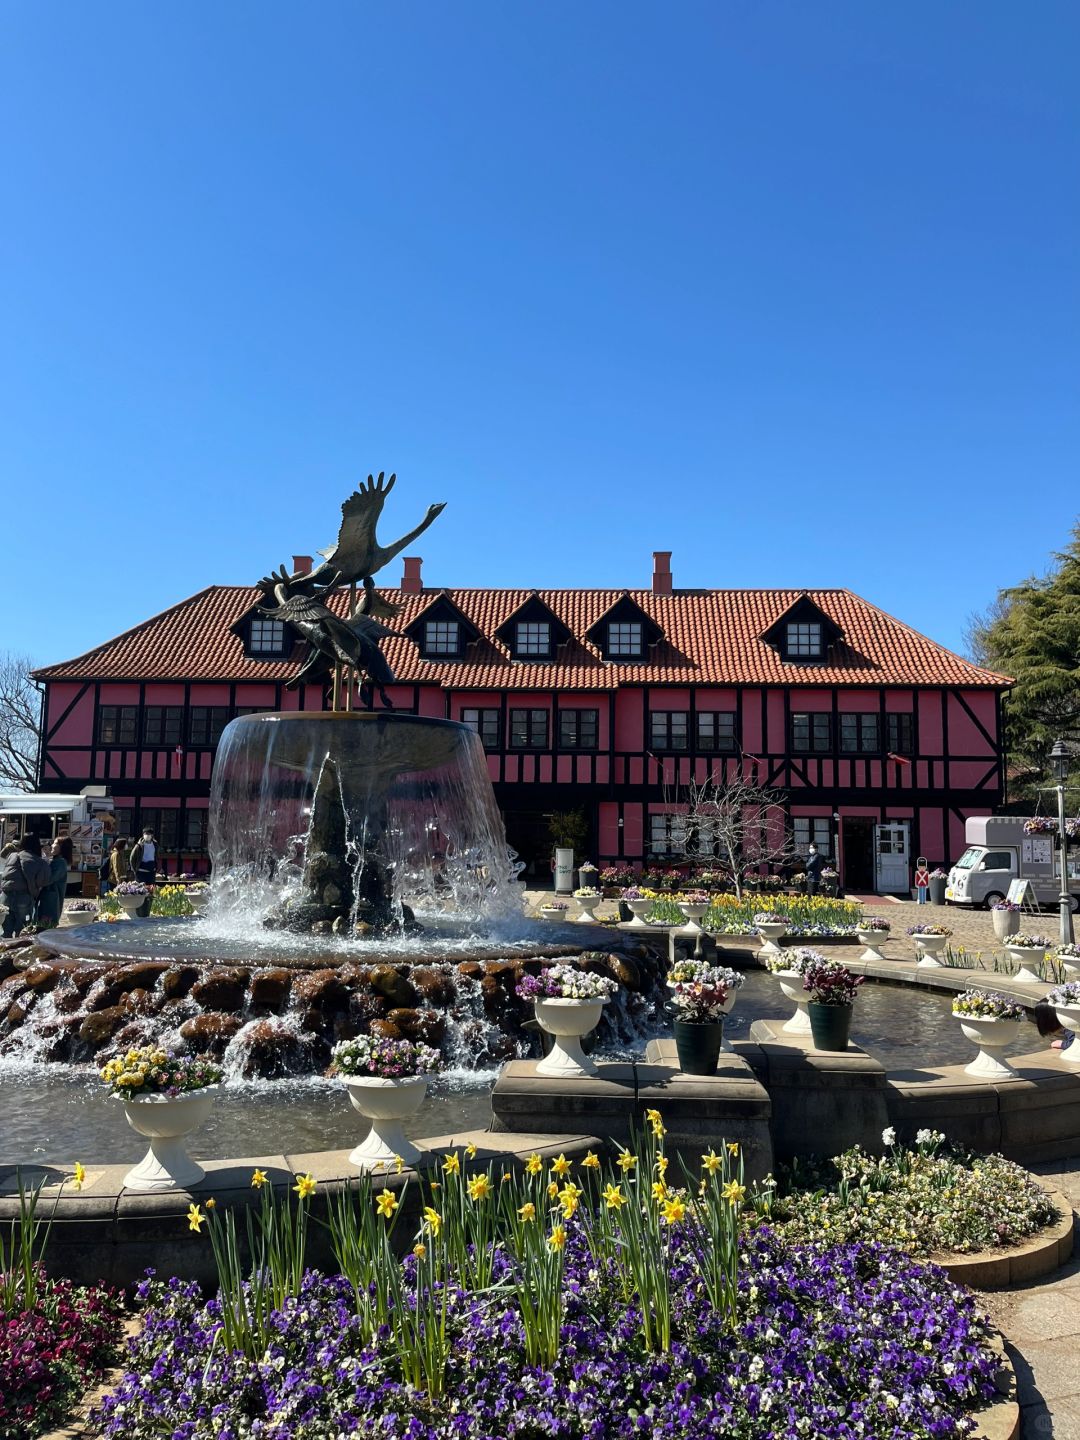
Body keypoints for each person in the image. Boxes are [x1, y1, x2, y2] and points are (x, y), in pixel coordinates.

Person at [1, 835, 52, 937]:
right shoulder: (39, 861)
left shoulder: (12, 856)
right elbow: (44, 881)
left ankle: (4, 950)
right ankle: (17, 950)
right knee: (22, 930)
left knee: (6, 930)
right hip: (23, 898)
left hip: (6, 896)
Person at [36, 837, 73, 928]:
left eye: (55, 843)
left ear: (62, 847)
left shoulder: (60, 863)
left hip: (51, 901)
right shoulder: (56, 861)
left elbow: (48, 879)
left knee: (46, 927)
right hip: (48, 899)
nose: (52, 845)